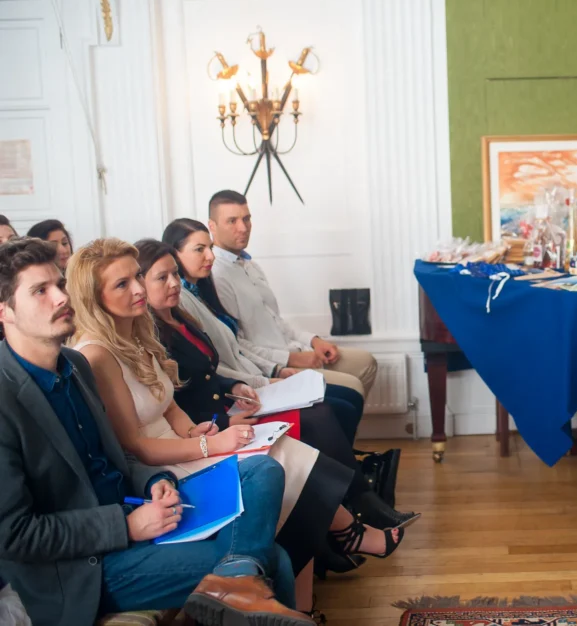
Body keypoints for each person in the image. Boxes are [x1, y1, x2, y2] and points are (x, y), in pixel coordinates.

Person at [0, 237, 311, 626]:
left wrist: (154, 481)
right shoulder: (10, 395)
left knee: (262, 470)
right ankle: (237, 583)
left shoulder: (73, 365)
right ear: (4, 310)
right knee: (275, 561)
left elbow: (114, 457)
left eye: (60, 284)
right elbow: (14, 535)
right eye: (40, 291)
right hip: (82, 567)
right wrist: (126, 525)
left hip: (137, 506)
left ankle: (236, 579)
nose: (61, 297)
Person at [65, 238, 406, 584]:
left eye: (138, 276)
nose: (139, 289)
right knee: (283, 463)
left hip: (179, 446)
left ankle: (336, 548)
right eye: (122, 284)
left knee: (288, 449)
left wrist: (193, 430)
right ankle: (345, 536)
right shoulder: (97, 354)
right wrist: (210, 444)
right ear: (94, 297)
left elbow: (168, 405)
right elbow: (135, 447)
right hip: (158, 471)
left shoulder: (135, 332)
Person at [138, 235, 418, 532]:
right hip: (214, 423)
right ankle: (357, 506)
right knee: (320, 417)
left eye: (175, 274)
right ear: (141, 284)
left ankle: (356, 504)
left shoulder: (181, 317)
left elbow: (211, 370)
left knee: (323, 409)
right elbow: (180, 399)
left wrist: (233, 386)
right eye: (162, 278)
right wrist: (226, 418)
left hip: (231, 405)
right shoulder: (151, 334)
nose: (174, 283)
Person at [207, 190, 376, 431]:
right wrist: (289, 359)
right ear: (212, 226)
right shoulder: (217, 275)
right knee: (352, 389)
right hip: (273, 365)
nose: (243, 228)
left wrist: (313, 340)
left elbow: (276, 320)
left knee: (366, 363)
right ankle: (338, 442)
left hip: (295, 349)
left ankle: (341, 437)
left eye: (246, 218)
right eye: (232, 221)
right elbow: (237, 344)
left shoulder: (250, 264)